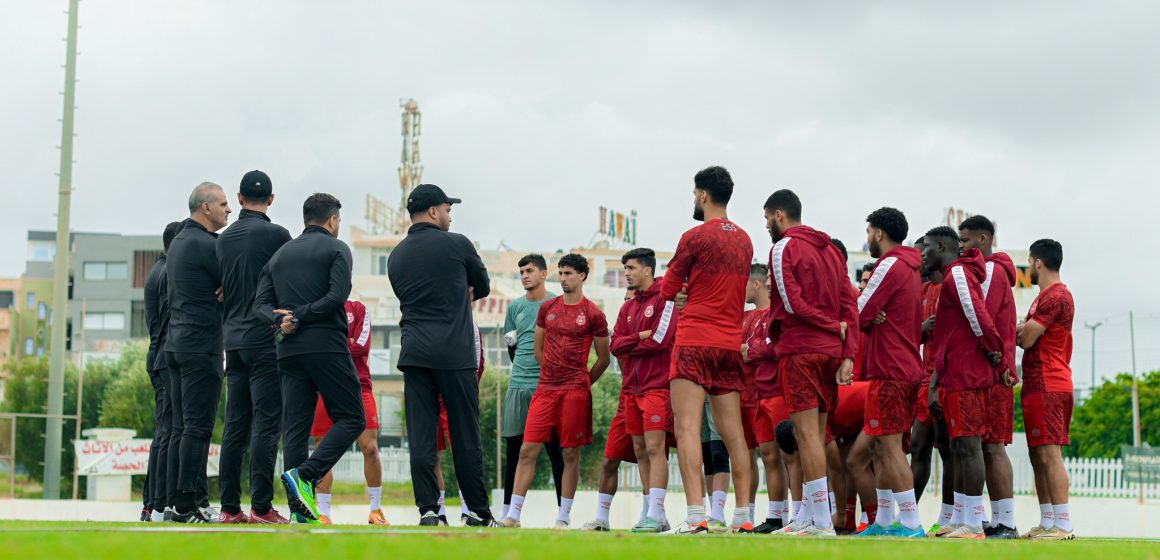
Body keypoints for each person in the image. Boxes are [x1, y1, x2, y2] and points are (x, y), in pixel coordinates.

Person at [386, 184, 497, 527]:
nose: (450, 216)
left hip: (415, 351)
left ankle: (429, 510)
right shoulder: (458, 244)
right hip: (454, 351)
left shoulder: (397, 255)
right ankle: (477, 511)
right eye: (448, 209)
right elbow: (484, 285)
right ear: (433, 211)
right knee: (465, 435)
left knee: (421, 437)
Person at [254, 193, 365, 524]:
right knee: (352, 418)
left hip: (287, 350)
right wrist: (301, 315)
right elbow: (336, 296)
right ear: (332, 220)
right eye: (339, 221)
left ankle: (300, 512)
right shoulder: (337, 249)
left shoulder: (278, 256)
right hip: (326, 346)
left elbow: (259, 305)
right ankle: (306, 475)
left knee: (296, 430)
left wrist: (281, 320)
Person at [660, 166, 754, 534]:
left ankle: (697, 514)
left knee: (686, 429)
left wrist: (683, 292)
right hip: (730, 343)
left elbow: (668, 289)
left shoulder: (694, 236)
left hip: (695, 339)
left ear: (702, 194)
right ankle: (744, 516)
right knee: (734, 436)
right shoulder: (746, 239)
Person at [763, 189, 857, 536]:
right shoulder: (833, 250)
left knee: (806, 435)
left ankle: (820, 520)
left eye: (766, 219)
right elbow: (850, 306)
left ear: (779, 216)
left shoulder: (783, 247)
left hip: (801, 349)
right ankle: (806, 516)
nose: (767, 226)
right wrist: (847, 352)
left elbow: (789, 302)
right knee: (814, 435)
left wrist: (830, 326)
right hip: (830, 353)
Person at [503, 254, 610, 529]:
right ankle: (513, 515)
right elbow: (538, 350)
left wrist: (584, 382)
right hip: (546, 389)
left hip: (575, 392)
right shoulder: (547, 308)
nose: (563, 279)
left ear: (582, 276)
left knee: (570, 453)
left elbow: (603, 359)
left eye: (569, 274)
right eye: (560, 273)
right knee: (527, 449)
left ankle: (563, 517)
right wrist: (551, 373)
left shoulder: (594, 314)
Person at [923, 226, 1013, 540]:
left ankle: (974, 523)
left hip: (968, 375)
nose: (922, 255)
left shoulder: (958, 274)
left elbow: (979, 317)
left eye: (926, 249)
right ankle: (962, 517)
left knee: (971, 447)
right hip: (954, 374)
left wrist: (999, 358)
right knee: (959, 447)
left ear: (940, 245)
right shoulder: (952, 276)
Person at [215, 170, 293, 524]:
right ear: (272, 200)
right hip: (265, 338)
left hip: (233, 339)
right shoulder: (279, 236)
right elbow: (288, 283)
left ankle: (230, 508)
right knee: (266, 423)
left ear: (240, 199)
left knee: (235, 425)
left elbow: (221, 287)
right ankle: (262, 506)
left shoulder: (224, 239)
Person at [852, 207, 925, 538]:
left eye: (868, 232)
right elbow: (868, 312)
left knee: (891, 447)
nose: (867, 239)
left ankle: (910, 522)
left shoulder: (890, 264)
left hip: (892, 369)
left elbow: (860, 312)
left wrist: (869, 313)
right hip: (900, 368)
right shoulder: (909, 267)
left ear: (879, 233)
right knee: (882, 447)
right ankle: (884, 521)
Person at [166, 182, 231, 523]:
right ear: (205, 208)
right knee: (197, 428)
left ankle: (181, 501)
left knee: (181, 428)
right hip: (200, 345)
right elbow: (238, 283)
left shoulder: (179, 240)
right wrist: (228, 289)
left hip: (176, 345)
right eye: (222, 204)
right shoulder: (208, 245)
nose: (228, 210)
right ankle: (185, 505)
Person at [957, 215, 1019, 538]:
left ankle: (1005, 521)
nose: (961, 247)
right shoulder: (991, 270)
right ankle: (997, 519)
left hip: (995, 372)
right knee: (986, 446)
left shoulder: (992, 270)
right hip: (994, 368)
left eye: (965, 241)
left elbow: (982, 318)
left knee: (992, 446)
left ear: (982, 240)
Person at [610, 248, 678, 533]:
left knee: (654, 448)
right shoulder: (628, 306)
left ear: (647, 269)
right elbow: (614, 345)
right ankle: (651, 512)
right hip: (631, 389)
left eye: (630, 268)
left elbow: (660, 341)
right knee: (640, 450)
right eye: (625, 268)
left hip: (656, 387)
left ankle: (658, 512)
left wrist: (631, 343)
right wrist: (638, 337)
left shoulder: (665, 299)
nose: (626, 273)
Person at [310, 300, 390, 526]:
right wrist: (346, 342)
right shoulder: (316, 307)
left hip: (359, 386)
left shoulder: (358, 309)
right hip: (325, 386)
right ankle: (324, 512)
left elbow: (362, 346)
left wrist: (331, 345)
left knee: (371, 448)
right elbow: (314, 345)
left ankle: (376, 510)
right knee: (322, 449)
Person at [1017, 239, 1075, 541]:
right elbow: (1027, 332)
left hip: (1051, 384)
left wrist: (1022, 329)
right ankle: (1048, 521)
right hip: (1037, 384)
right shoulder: (1043, 297)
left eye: (1029, 262)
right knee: (1037, 455)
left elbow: (1026, 338)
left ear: (1038, 262)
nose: (1028, 268)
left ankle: (1063, 524)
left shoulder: (1056, 296)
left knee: (1050, 454)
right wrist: (1024, 328)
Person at [582, 289, 653, 532]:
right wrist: (636, 337)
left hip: (652, 394)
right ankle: (601, 519)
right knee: (609, 459)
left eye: (631, 299)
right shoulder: (627, 327)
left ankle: (650, 515)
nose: (627, 304)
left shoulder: (654, 327)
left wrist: (635, 339)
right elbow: (615, 347)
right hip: (626, 400)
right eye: (624, 300)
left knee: (651, 458)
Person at [501, 254, 565, 520]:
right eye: (521, 272)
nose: (525, 275)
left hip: (548, 389)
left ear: (543, 273)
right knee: (514, 453)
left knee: (556, 453)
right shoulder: (514, 307)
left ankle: (564, 515)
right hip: (518, 386)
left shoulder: (556, 304)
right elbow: (511, 346)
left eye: (529, 270)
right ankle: (507, 515)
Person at [909, 237, 955, 534]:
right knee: (918, 446)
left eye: (921, 254)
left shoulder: (952, 285)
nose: (919, 260)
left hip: (948, 377)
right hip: (925, 379)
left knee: (949, 449)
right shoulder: (921, 290)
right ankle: (909, 517)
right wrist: (919, 329)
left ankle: (949, 516)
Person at [744, 267, 794, 534]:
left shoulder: (783, 313)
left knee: (790, 455)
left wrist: (753, 352)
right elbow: (751, 349)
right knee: (768, 455)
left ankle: (800, 514)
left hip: (780, 391)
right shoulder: (757, 317)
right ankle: (776, 516)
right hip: (759, 393)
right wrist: (754, 351)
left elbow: (776, 347)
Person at [142, 221, 180, 522]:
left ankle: (151, 503)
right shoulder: (168, 272)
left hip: (156, 355)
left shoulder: (158, 270)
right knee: (169, 430)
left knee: (163, 430)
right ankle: (160, 502)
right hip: (166, 356)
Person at [737, 263, 767, 527]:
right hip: (741, 396)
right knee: (746, 457)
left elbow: (751, 351)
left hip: (764, 395)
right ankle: (747, 514)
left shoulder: (770, 315)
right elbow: (737, 350)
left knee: (773, 456)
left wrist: (749, 350)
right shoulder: (744, 317)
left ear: (756, 284)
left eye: (745, 283)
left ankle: (786, 513)